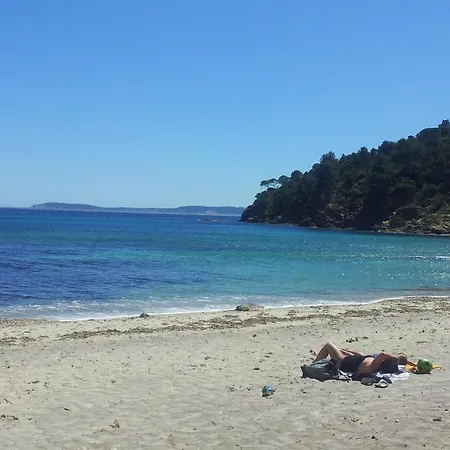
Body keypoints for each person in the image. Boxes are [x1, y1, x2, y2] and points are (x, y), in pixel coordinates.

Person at [313, 341, 404, 374]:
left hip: (343, 362)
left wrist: (394, 358)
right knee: (352, 353)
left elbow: (382, 354)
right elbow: (361, 356)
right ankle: (338, 350)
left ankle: (314, 364)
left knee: (328, 345)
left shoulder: (374, 366)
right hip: (352, 359)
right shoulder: (375, 364)